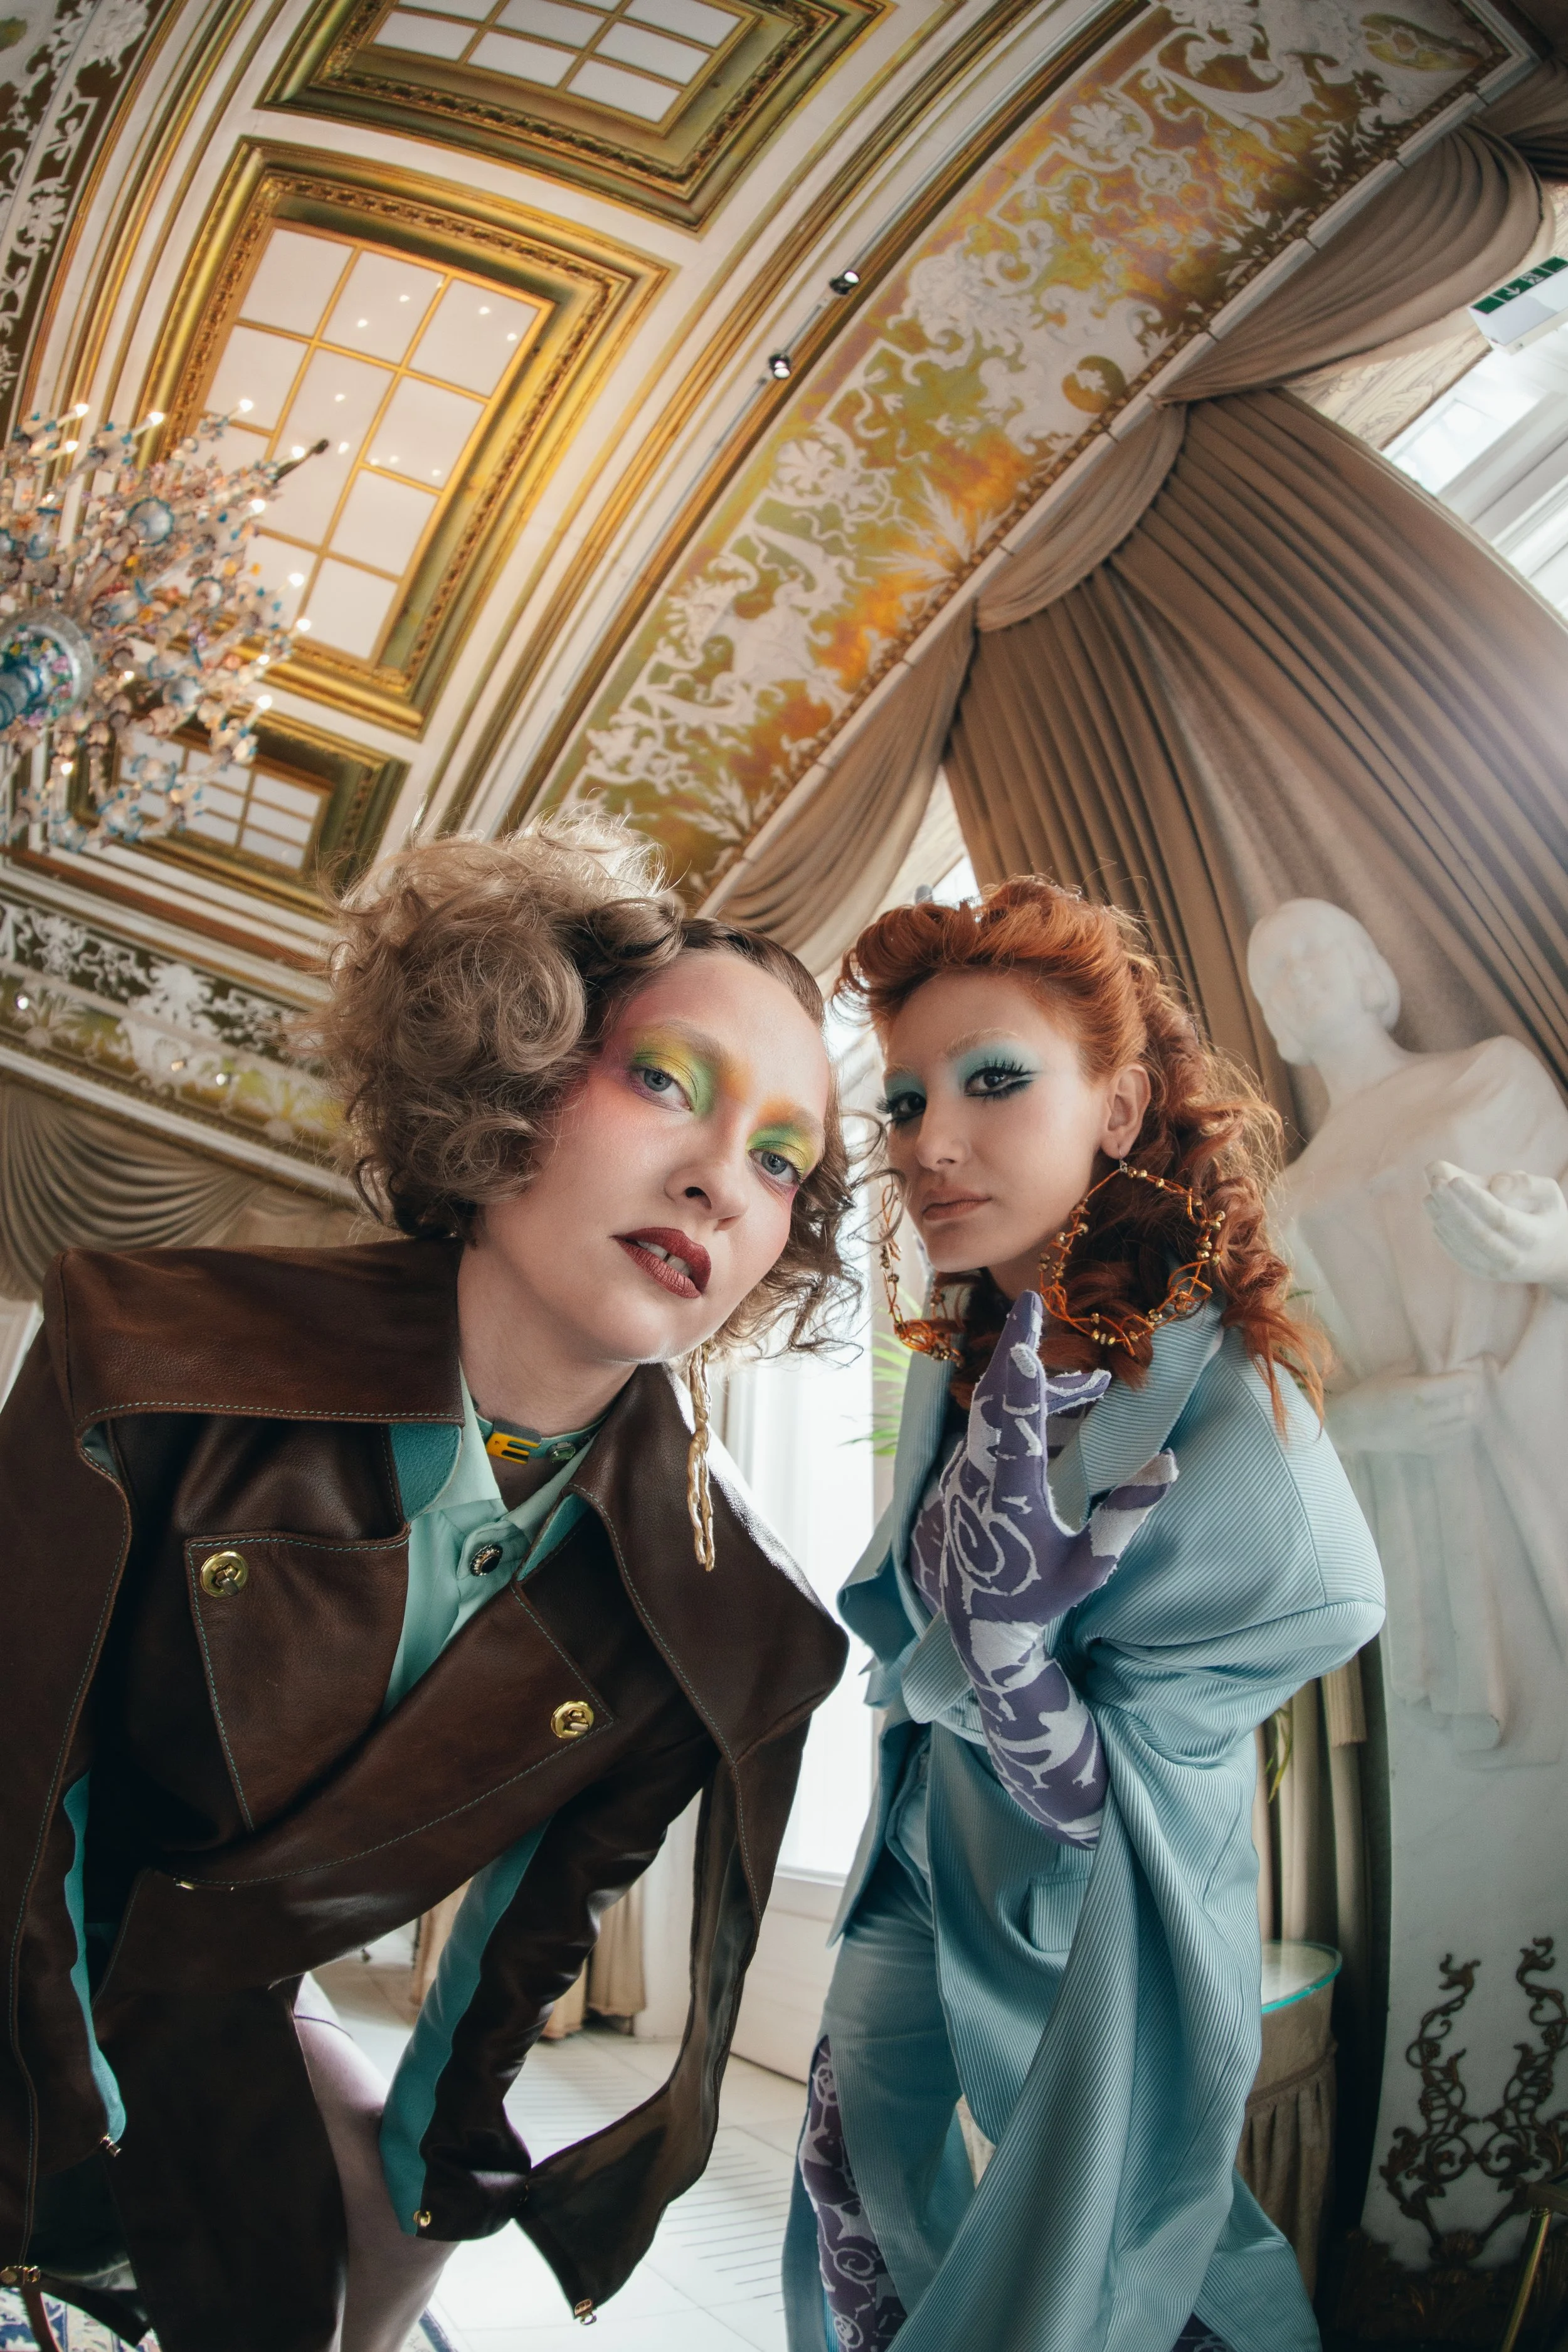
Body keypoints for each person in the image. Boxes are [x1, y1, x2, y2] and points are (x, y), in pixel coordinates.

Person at [0, 819, 852, 2352]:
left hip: (219, 2023)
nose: (721, 1182)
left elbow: (519, 1954)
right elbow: (20, 1777)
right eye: (667, 1082)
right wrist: (61, 2106)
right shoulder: (137, 1357)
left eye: (781, 1160)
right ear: (512, 1074)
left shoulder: (732, 1630)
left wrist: (422, 2191)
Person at [783, 877, 1384, 2352]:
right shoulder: (967, 1344)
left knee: (1118, 2258)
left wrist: (1010, 1667)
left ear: (1115, 1109)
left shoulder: (1228, 1409)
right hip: (919, 1839)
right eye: (905, 1100)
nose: (928, 1142)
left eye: (992, 1082)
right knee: (853, 2181)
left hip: (1086, 1896)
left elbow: (1316, 1608)